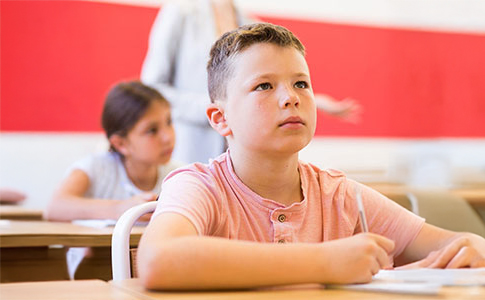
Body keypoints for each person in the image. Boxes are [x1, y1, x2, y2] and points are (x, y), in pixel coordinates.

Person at [137, 23, 485, 290]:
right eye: (264, 86)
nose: (290, 98)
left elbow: (451, 245)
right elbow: (157, 261)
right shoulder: (199, 186)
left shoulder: (340, 194)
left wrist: (470, 244)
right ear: (220, 118)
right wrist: (327, 263)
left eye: (301, 83)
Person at [141, 0, 361, 164]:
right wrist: (220, 110)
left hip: (245, 150)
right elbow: (152, 89)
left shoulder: (251, 22)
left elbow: (267, 80)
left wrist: (314, 99)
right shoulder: (180, 12)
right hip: (196, 143)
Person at [45, 80, 181, 222]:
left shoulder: (177, 174)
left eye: (169, 122)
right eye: (152, 130)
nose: (168, 137)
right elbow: (54, 207)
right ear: (121, 143)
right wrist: (120, 208)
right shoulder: (96, 169)